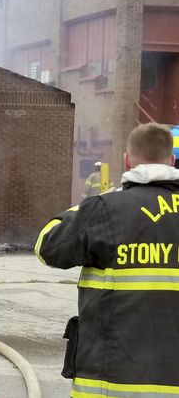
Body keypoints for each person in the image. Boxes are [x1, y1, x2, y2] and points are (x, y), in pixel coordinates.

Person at [36, 123, 179, 395]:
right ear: (171, 160)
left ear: (127, 160)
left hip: (110, 385)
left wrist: (93, 205)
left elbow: (47, 245)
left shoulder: (103, 210)